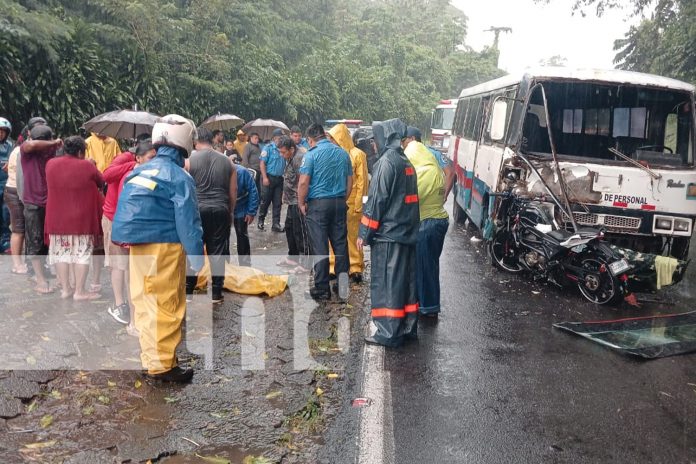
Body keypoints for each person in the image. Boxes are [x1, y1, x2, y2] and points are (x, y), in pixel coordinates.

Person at [112, 114, 204, 383]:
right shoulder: (179, 177)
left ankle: (150, 359)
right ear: (184, 144)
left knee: (144, 302)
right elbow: (189, 223)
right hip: (165, 247)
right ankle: (164, 366)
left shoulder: (140, 170)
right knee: (166, 303)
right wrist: (197, 260)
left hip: (139, 248)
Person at [358, 119, 420, 347]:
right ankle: (407, 327)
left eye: (375, 140)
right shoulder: (405, 161)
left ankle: (387, 331)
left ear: (384, 138)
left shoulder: (386, 163)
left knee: (388, 284)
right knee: (406, 285)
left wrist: (364, 232)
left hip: (389, 237)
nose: (374, 144)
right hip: (406, 235)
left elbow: (376, 202)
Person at [102, 139, 156, 328]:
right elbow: (106, 175)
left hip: (129, 222)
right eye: (151, 157)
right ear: (139, 156)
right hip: (116, 219)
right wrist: (133, 163)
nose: (154, 160)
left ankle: (135, 309)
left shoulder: (149, 170)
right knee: (120, 265)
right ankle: (120, 305)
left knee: (131, 268)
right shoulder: (127, 165)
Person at [45, 136, 105, 300]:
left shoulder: (50, 164)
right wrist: (92, 165)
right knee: (81, 254)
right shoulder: (86, 165)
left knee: (61, 253)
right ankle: (80, 291)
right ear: (80, 152)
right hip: (81, 220)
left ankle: (66, 289)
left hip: (56, 219)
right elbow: (101, 182)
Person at [298, 123, 353, 300]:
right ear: (325, 135)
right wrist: (342, 200)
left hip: (318, 205)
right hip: (338, 202)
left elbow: (304, 182)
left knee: (320, 245)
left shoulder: (311, 155)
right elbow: (349, 182)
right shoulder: (343, 153)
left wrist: (301, 202)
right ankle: (342, 285)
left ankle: (322, 288)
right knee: (340, 245)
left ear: (310, 139)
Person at [185, 127, 236, 303]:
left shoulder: (188, 161)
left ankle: (188, 291)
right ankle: (216, 292)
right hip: (220, 209)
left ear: (195, 141)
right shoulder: (227, 162)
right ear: (213, 141)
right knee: (218, 251)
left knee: (193, 249)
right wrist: (230, 212)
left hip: (197, 210)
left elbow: (184, 190)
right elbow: (232, 193)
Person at [404, 127, 449, 318]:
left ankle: (428, 308)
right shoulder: (435, 170)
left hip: (427, 224)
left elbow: (410, 198)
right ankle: (427, 303)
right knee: (429, 266)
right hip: (437, 222)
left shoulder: (423, 174)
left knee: (424, 268)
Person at [21, 125, 61, 294]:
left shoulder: (52, 152)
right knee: (35, 242)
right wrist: (54, 142)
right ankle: (40, 279)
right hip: (33, 202)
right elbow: (30, 145)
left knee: (51, 242)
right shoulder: (27, 150)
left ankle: (56, 276)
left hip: (52, 201)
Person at [327, 123, 369, 283]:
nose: (331, 141)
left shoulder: (358, 155)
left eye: (333, 138)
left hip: (353, 203)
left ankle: (356, 266)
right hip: (337, 201)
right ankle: (333, 265)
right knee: (333, 236)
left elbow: (363, 182)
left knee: (353, 235)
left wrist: (360, 204)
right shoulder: (332, 154)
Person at [277, 136, 311, 274]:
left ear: (291, 149)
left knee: (301, 233)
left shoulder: (299, 158)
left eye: (283, 152)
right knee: (289, 228)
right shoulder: (290, 157)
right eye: (280, 152)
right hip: (291, 200)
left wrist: (302, 202)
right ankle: (293, 257)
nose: (281, 155)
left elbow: (303, 182)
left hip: (298, 201)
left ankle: (305, 264)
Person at [403, 127, 455, 201]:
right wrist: (444, 196)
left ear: (412, 139)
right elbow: (450, 172)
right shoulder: (434, 153)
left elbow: (450, 173)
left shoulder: (406, 154)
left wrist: (444, 195)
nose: (402, 143)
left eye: (404, 140)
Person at [4, 136, 27, 274]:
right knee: (18, 229)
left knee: (22, 229)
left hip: (21, 191)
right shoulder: (19, 151)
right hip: (15, 191)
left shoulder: (17, 149)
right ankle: (16, 264)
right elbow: (21, 176)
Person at [258, 128, 286, 232]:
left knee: (278, 202)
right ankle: (261, 220)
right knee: (265, 201)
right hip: (268, 177)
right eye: (280, 137)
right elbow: (262, 163)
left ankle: (276, 224)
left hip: (279, 179)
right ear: (274, 138)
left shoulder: (283, 148)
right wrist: (265, 177)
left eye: (283, 137)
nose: (281, 139)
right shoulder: (268, 148)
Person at [233, 164, 259, 267]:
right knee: (222, 236)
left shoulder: (242, 172)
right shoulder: (218, 172)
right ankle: (224, 265)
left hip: (241, 206)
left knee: (241, 234)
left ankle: (245, 264)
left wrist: (251, 212)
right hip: (224, 207)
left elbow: (253, 191)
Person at [0, 118, 14, 253]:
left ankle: (5, 242)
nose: (0, 134)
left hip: (5, 185)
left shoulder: (10, 145)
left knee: (5, 214)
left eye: (3, 131)